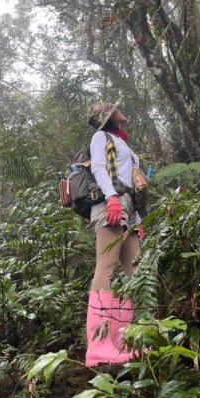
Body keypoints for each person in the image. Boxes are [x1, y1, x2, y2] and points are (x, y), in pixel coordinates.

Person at [84, 98, 144, 367]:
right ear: (109, 116)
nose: (121, 109)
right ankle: (98, 345)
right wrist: (110, 198)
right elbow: (98, 167)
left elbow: (133, 182)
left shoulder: (122, 142)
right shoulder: (101, 137)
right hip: (112, 204)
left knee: (135, 271)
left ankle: (123, 342)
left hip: (129, 208)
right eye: (116, 107)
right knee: (106, 268)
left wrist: (138, 217)